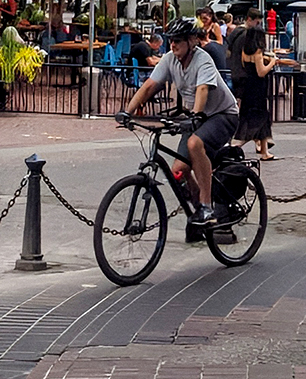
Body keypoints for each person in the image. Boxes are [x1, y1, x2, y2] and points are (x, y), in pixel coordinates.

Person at [118, 18, 239, 230]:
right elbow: (149, 86)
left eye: (179, 41)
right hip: (196, 117)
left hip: (222, 115)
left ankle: (207, 206)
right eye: (171, 40)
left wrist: (196, 115)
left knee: (194, 144)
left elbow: (203, 89)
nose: (173, 45)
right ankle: (197, 213)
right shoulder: (169, 59)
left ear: (191, 41)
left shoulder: (203, 60)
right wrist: (126, 112)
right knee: (178, 172)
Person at [234, 19, 277, 159]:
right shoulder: (258, 52)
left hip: (248, 86)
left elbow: (248, 66)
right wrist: (272, 62)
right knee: (259, 118)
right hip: (258, 89)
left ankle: (265, 152)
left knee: (259, 119)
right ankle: (236, 146)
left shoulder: (245, 51)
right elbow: (261, 72)